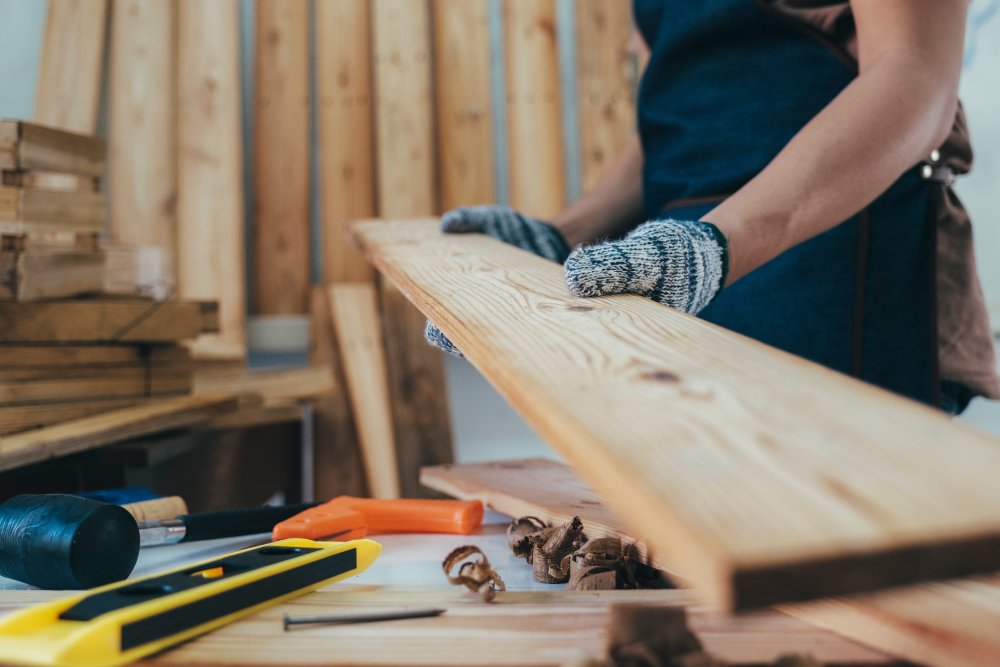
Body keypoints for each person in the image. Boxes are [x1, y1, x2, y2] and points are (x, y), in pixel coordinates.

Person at [426, 0, 1000, 414]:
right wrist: (562, 236)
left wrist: (713, 245)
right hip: (690, 295)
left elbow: (915, 72)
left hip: (842, 279)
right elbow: (682, 117)